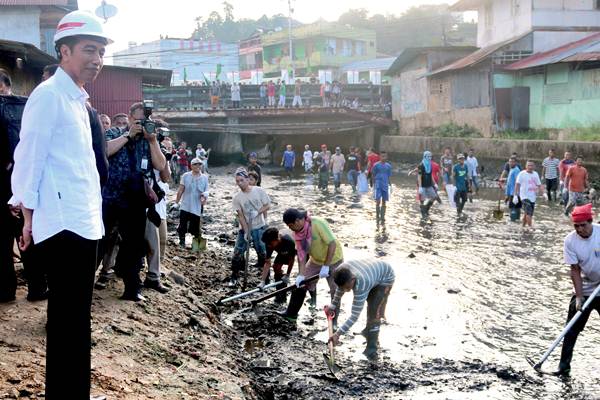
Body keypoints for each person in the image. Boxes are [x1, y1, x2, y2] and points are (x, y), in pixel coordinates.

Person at [8, 10, 112, 399]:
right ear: (64, 50)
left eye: (101, 51)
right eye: (89, 49)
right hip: (63, 224)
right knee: (67, 319)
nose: (97, 59)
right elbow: (29, 157)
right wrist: (28, 217)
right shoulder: (48, 96)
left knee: (76, 319)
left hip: (85, 221)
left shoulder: (77, 100)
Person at [556, 203, 600, 376]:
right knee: (571, 328)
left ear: (591, 221)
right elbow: (575, 270)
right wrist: (580, 297)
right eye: (577, 226)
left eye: (584, 225)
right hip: (586, 287)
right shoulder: (570, 241)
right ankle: (563, 367)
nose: (580, 229)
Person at [280, 208, 344, 321]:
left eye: (291, 226)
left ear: (297, 221)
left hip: (334, 260)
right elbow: (301, 254)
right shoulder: (297, 233)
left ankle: (334, 321)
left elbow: (332, 244)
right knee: (300, 284)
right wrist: (301, 274)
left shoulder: (318, 223)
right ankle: (291, 313)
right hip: (316, 260)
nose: (290, 229)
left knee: (335, 291)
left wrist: (326, 266)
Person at [326, 259, 395, 359]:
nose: (347, 290)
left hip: (385, 277)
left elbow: (354, 315)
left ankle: (372, 348)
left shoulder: (361, 284)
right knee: (369, 302)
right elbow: (340, 288)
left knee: (374, 310)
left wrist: (337, 334)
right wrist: (332, 306)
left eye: (348, 287)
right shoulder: (341, 270)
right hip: (371, 272)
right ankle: (368, 330)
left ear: (353, 279)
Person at [230, 168, 271, 286]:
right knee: (238, 252)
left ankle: (266, 279)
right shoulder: (237, 198)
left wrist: (258, 212)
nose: (240, 183)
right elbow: (241, 216)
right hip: (244, 228)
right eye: (237, 181)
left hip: (259, 227)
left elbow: (268, 205)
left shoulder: (259, 191)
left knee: (262, 252)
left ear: (248, 180)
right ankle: (234, 277)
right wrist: (246, 231)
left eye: (242, 180)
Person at [176, 158, 209, 248]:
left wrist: (204, 197)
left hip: (197, 206)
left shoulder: (204, 178)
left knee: (197, 227)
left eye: (199, 164)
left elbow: (207, 191)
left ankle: (197, 246)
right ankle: (182, 242)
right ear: (191, 165)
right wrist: (176, 202)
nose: (197, 166)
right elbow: (180, 190)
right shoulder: (185, 176)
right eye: (195, 164)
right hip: (185, 205)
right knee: (182, 225)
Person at [259, 227, 296, 304]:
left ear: (277, 239)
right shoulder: (269, 243)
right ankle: (280, 294)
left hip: (295, 250)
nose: (269, 246)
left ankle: (313, 299)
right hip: (282, 252)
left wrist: (288, 275)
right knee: (276, 267)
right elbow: (267, 263)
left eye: (271, 244)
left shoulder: (289, 242)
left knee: (306, 272)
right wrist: (262, 281)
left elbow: (291, 260)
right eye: (267, 244)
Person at [514, 160, 542, 227]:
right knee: (529, 213)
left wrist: (544, 193)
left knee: (527, 213)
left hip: (532, 197)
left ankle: (523, 226)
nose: (530, 167)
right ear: (526, 166)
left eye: (531, 165)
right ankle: (530, 228)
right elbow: (517, 184)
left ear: (534, 166)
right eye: (528, 165)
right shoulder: (522, 174)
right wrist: (515, 195)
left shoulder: (535, 174)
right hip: (524, 197)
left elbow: (539, 185)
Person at [372, 151, 392, 223]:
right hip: (378, 184)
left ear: (387, 157)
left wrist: (390, 185)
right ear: (380, 157)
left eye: (385, 156)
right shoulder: (376, 165)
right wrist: (373, 184)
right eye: (382, 156)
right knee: (378, 200)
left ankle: (382, 216)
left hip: (385, 185)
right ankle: (377, 216)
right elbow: (373, 174)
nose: (384, 158)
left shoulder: (388, 166)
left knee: (384, 201)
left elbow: (389, 176)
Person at [417, 151, 439, 218]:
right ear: (424, 156)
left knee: (434, 197)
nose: (429, 158)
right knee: (422, 200)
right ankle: (423, 215)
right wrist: (420, 187)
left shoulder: (430, 165)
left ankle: (426, 208)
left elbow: (430, 175)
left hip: (429, 185)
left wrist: (434, 184)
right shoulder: (421, 165)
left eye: (430, 156)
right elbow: (419, 177)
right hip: (423, 185)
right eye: (428, 156)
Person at [505, 156, 522, 222]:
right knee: (516, 208)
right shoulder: (512, 169)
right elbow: (509, 182)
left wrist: (515, 195)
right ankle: (516, 221)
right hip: (512, 193)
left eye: (512, 162)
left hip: (515, 193)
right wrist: (507, 194)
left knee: (513, 209)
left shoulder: (516, 170)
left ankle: (513, 222)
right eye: (510, 162)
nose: (511, 163)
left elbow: (517, 182)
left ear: (516, 163)